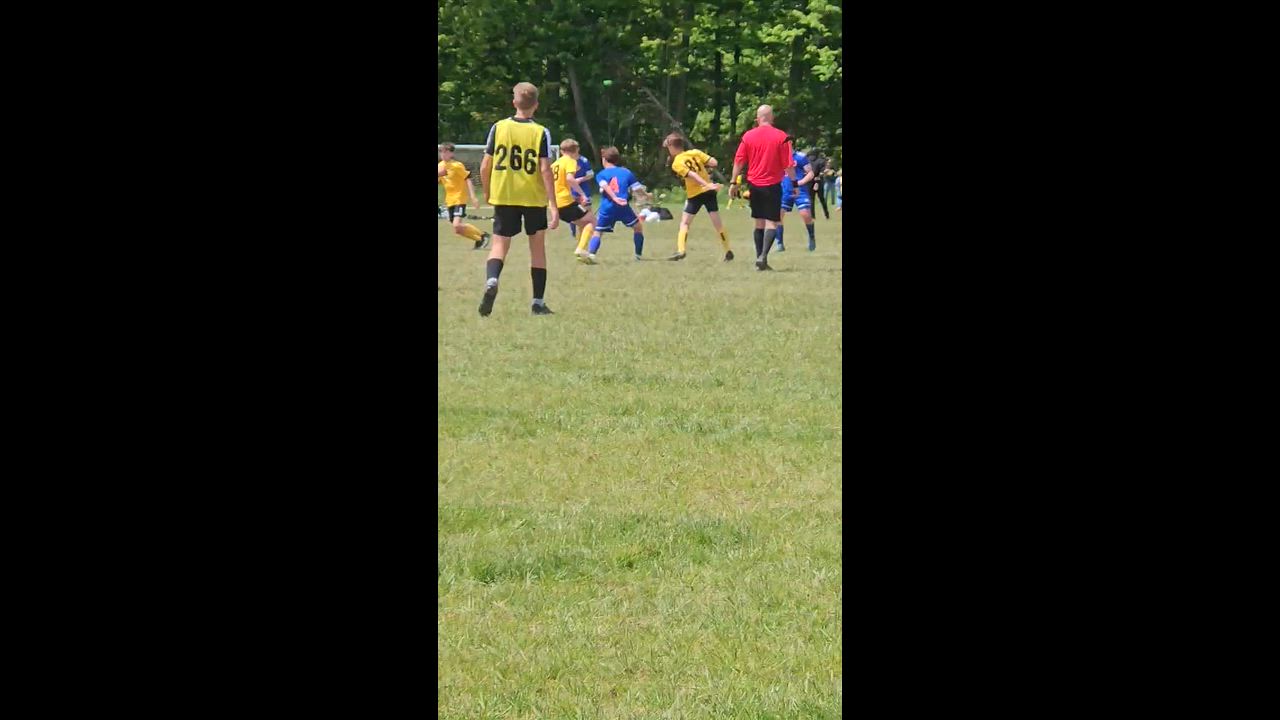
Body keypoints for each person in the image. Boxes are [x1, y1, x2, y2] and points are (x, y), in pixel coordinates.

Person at [478, 82, 559, 316]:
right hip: (533, 197)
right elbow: (545, 169)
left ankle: (492, 279)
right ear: (536, 105)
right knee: (537, 248)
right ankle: (538, 302)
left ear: (514, 102)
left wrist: (488, 192)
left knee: (499, 244)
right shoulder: (540, 132)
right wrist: (553, 205)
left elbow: (485, 165)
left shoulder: (499, 127)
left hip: (504, 195)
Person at [729, 105, 798, 271]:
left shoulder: (748, 136)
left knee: (759, 222)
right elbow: (788, 164)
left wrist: (733, 182)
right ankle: (763, 257)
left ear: (757, 119)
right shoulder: (782, 137)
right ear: (772, 118)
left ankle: (759, 259)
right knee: (772, 222)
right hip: (773, 184)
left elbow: (739, 161)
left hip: (754, 184)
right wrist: (795, 184)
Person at [662, 133, 733, 262]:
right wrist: (706, 176)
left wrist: (705, 184)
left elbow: (692, 175)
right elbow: (714, 162)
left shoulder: (677, 162)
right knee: (718, 224)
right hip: (709, 192)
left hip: (695, 194)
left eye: (668, 147)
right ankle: (728, 250)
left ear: (672, 147)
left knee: (685, 223)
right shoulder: (695, 152)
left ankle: (681, 250)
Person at [580, 146, 649, 264]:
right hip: (623, 207)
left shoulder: (601, 174)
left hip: (607, 207)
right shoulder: (626, 172)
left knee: (598, 231)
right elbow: (637, 189)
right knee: (637, 227)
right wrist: (647, 195)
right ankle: (638, 255)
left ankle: (591, 255)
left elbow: (604, 186)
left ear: (604, 159)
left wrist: (613, 197)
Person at [550, 139, 598, 257]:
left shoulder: (555, 164)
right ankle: (580, 249)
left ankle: (581, 250)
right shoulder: (571, 161)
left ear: (561, 151)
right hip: (565, 201)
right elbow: (570, 179)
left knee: (582, 223)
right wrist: (583, 194)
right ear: (576, 150)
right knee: (592, 221)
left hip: (556, 202)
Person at [438, 143, 491, 249]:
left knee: (457, 225)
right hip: (449, 200)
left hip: (459, 198)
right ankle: (480, 238)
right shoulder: (440, 166)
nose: (443, 154)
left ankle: (482, 236)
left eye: (446, 152)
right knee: (458, 229)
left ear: (451, 153)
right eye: (441, 152)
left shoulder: (457, 165)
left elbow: (468, 179)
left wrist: (473, 196)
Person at [777, 144, 817, 252]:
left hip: (800, 191)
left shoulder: (800, 157)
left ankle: (811, 237)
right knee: (778, 215)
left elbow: (810, 173)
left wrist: (801, 182)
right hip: (784, 190)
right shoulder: (778, 157)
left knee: (806, 214)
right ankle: (779, 243)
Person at [566, 151, 595, 240]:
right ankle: (573, 231)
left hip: (584, 190)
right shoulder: (566, 161)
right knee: (572, 212)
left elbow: (591, 174)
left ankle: (585, 234)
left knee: (587, 211)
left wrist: (581, 179)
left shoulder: (584, 160)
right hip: (571, 190)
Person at [808, 150, 831, 220]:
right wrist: (817, 181)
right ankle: (826, 214)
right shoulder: (821, 161)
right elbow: (822, 172)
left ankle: (812, 216)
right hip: (819, 181)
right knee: (822, 199)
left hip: (809, 181)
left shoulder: (807, 161)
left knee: (811, 199)